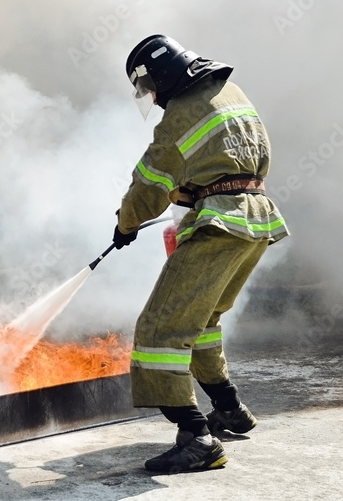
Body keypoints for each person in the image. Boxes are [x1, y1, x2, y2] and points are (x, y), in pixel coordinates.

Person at [113, 34, 289, 474]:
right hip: (254, 220)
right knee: (202, 321)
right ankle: (228, 408)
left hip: (219, 226)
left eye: (149, 86)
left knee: (160, 329)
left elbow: (149, 186)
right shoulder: (229, 92)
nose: (151, 97)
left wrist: (125, 224)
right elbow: (226, 161)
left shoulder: (180, 115)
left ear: (164, 75)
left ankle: (196, 438)